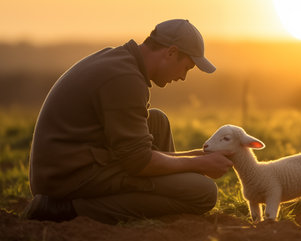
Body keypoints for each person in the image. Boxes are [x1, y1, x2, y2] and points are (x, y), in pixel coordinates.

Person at [22, 19, 233, 224]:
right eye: (186, 68)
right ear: (171, 52)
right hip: (66, 178)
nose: (183, 77)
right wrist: (200, 163)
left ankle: (171, 196)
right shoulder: (124, 78)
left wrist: (197, 157)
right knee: (203, 192)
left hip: (80, 158)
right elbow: (138, 161)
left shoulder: (122, 62)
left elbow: (136, 153)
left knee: (157, 121)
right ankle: (65, 210)